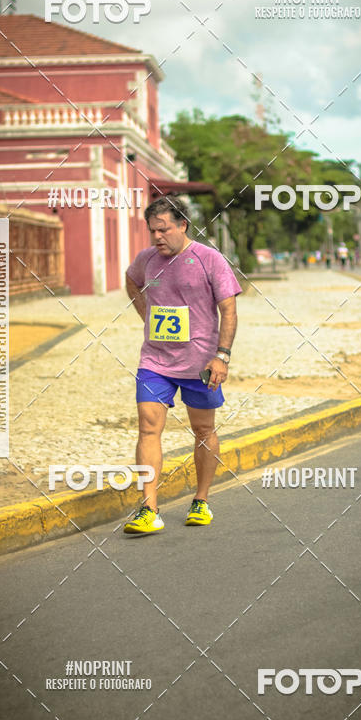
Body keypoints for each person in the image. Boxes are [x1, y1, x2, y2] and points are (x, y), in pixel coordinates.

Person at [123, 196, 241, 534]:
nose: (157, 237)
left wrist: (222, 355)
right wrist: (146, 314)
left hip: (200, 363)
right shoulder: (146, 259)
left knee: (203, 430)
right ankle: (149, 508)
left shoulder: (209, 259)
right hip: (155, 360)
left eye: (164, 229)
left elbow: (229, 310)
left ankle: (201, 500)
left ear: (183, 225)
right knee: (148, 427)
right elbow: (131, 281)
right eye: (152, 231)